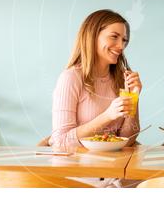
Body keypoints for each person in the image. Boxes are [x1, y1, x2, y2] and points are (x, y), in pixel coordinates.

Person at [49, 9, 142, 149]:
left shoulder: (122, 78)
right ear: (93, 36)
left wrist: (133, 98)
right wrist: (108, 116)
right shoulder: (71, 78)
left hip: (114, 163)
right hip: (78, 166)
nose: (121, 46)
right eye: (114, 37)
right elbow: (60, 141)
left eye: (124, 40)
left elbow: (128, 140)